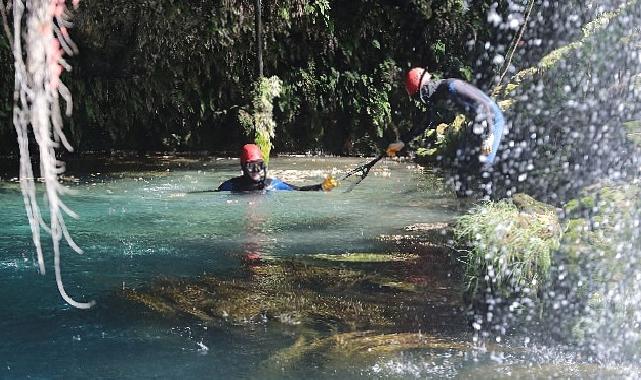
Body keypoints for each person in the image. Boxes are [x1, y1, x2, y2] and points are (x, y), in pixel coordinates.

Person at [386, 67, 505, 166]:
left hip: (493, 120)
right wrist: (402, 142)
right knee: (461, 164)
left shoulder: (452, 86)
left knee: (485, 163)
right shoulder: (435, 96)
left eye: (419, 95)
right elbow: (425, 122)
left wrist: (490, 136)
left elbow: (483, 104)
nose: (420, 99)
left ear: (424, 88)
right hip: (478, 124)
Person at [217, 144, 337, 192]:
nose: (256, 170)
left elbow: (298, 190)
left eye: (259, 165)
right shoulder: (231, 186)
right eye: (251, 166)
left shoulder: (272, 184)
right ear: (243, 167)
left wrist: (321, 187)